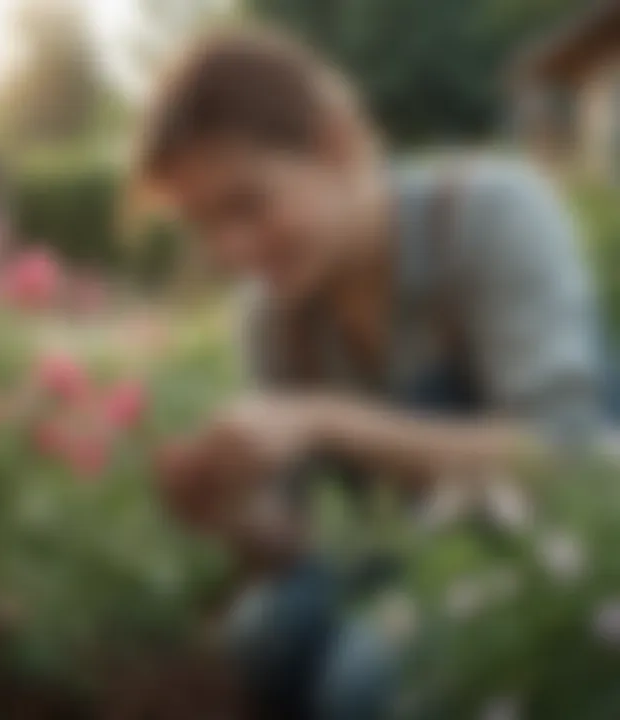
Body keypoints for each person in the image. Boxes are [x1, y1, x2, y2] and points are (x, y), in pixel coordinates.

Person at [138, 26, 602, 720]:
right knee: (261, 637)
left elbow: (565, 454)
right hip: (404, 552)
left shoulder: (490, 216)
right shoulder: (276, 316)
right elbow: (297, 545)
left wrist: (324, 420)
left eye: (249, 204)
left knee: (366, 685)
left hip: (551, 545)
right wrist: (232, 512)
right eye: (205, 225)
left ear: (335, 143)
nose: (231, 250)